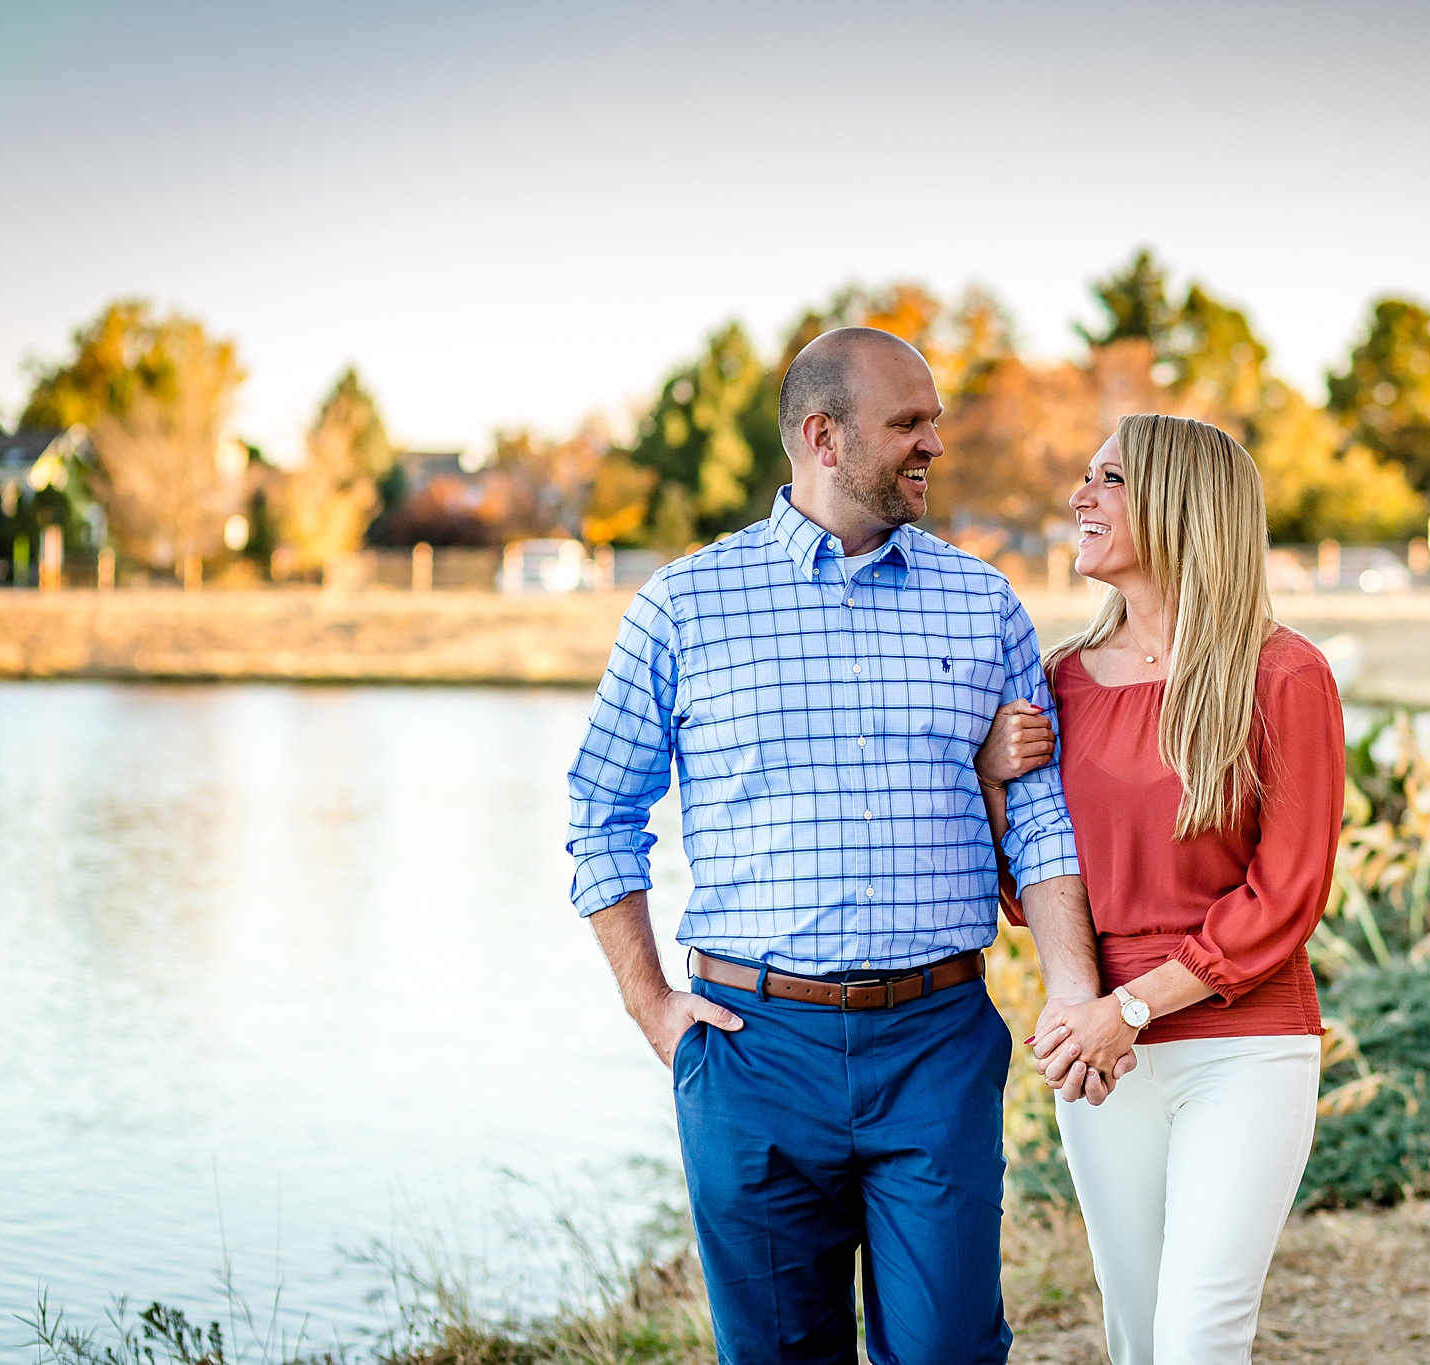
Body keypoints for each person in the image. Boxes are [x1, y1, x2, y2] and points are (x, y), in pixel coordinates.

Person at [565, 327, 1116, 1365]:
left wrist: (1071, 988)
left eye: (933, 422)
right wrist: (652, 1012)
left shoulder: (981, 601)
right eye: (909, 424)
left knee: (949, 1351)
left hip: (937, 1044)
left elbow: (1038, 815)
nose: (934, 446)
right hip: (750, 1048)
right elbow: (600, 814)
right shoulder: (682, 607)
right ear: (822, 436)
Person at [976, 413, 1345, 1365]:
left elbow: (1288, 892)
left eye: (1111, 479)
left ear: (1181, 503)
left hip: (1243, 1044)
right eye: (1085, 475)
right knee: (1136, 1330)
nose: (1079, 496)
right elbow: (1032, 888)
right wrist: (991, 783)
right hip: (1106, 1055)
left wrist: (1133, 1005)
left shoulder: (1282, 674)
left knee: (1196, 1332)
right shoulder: (1060, 682)